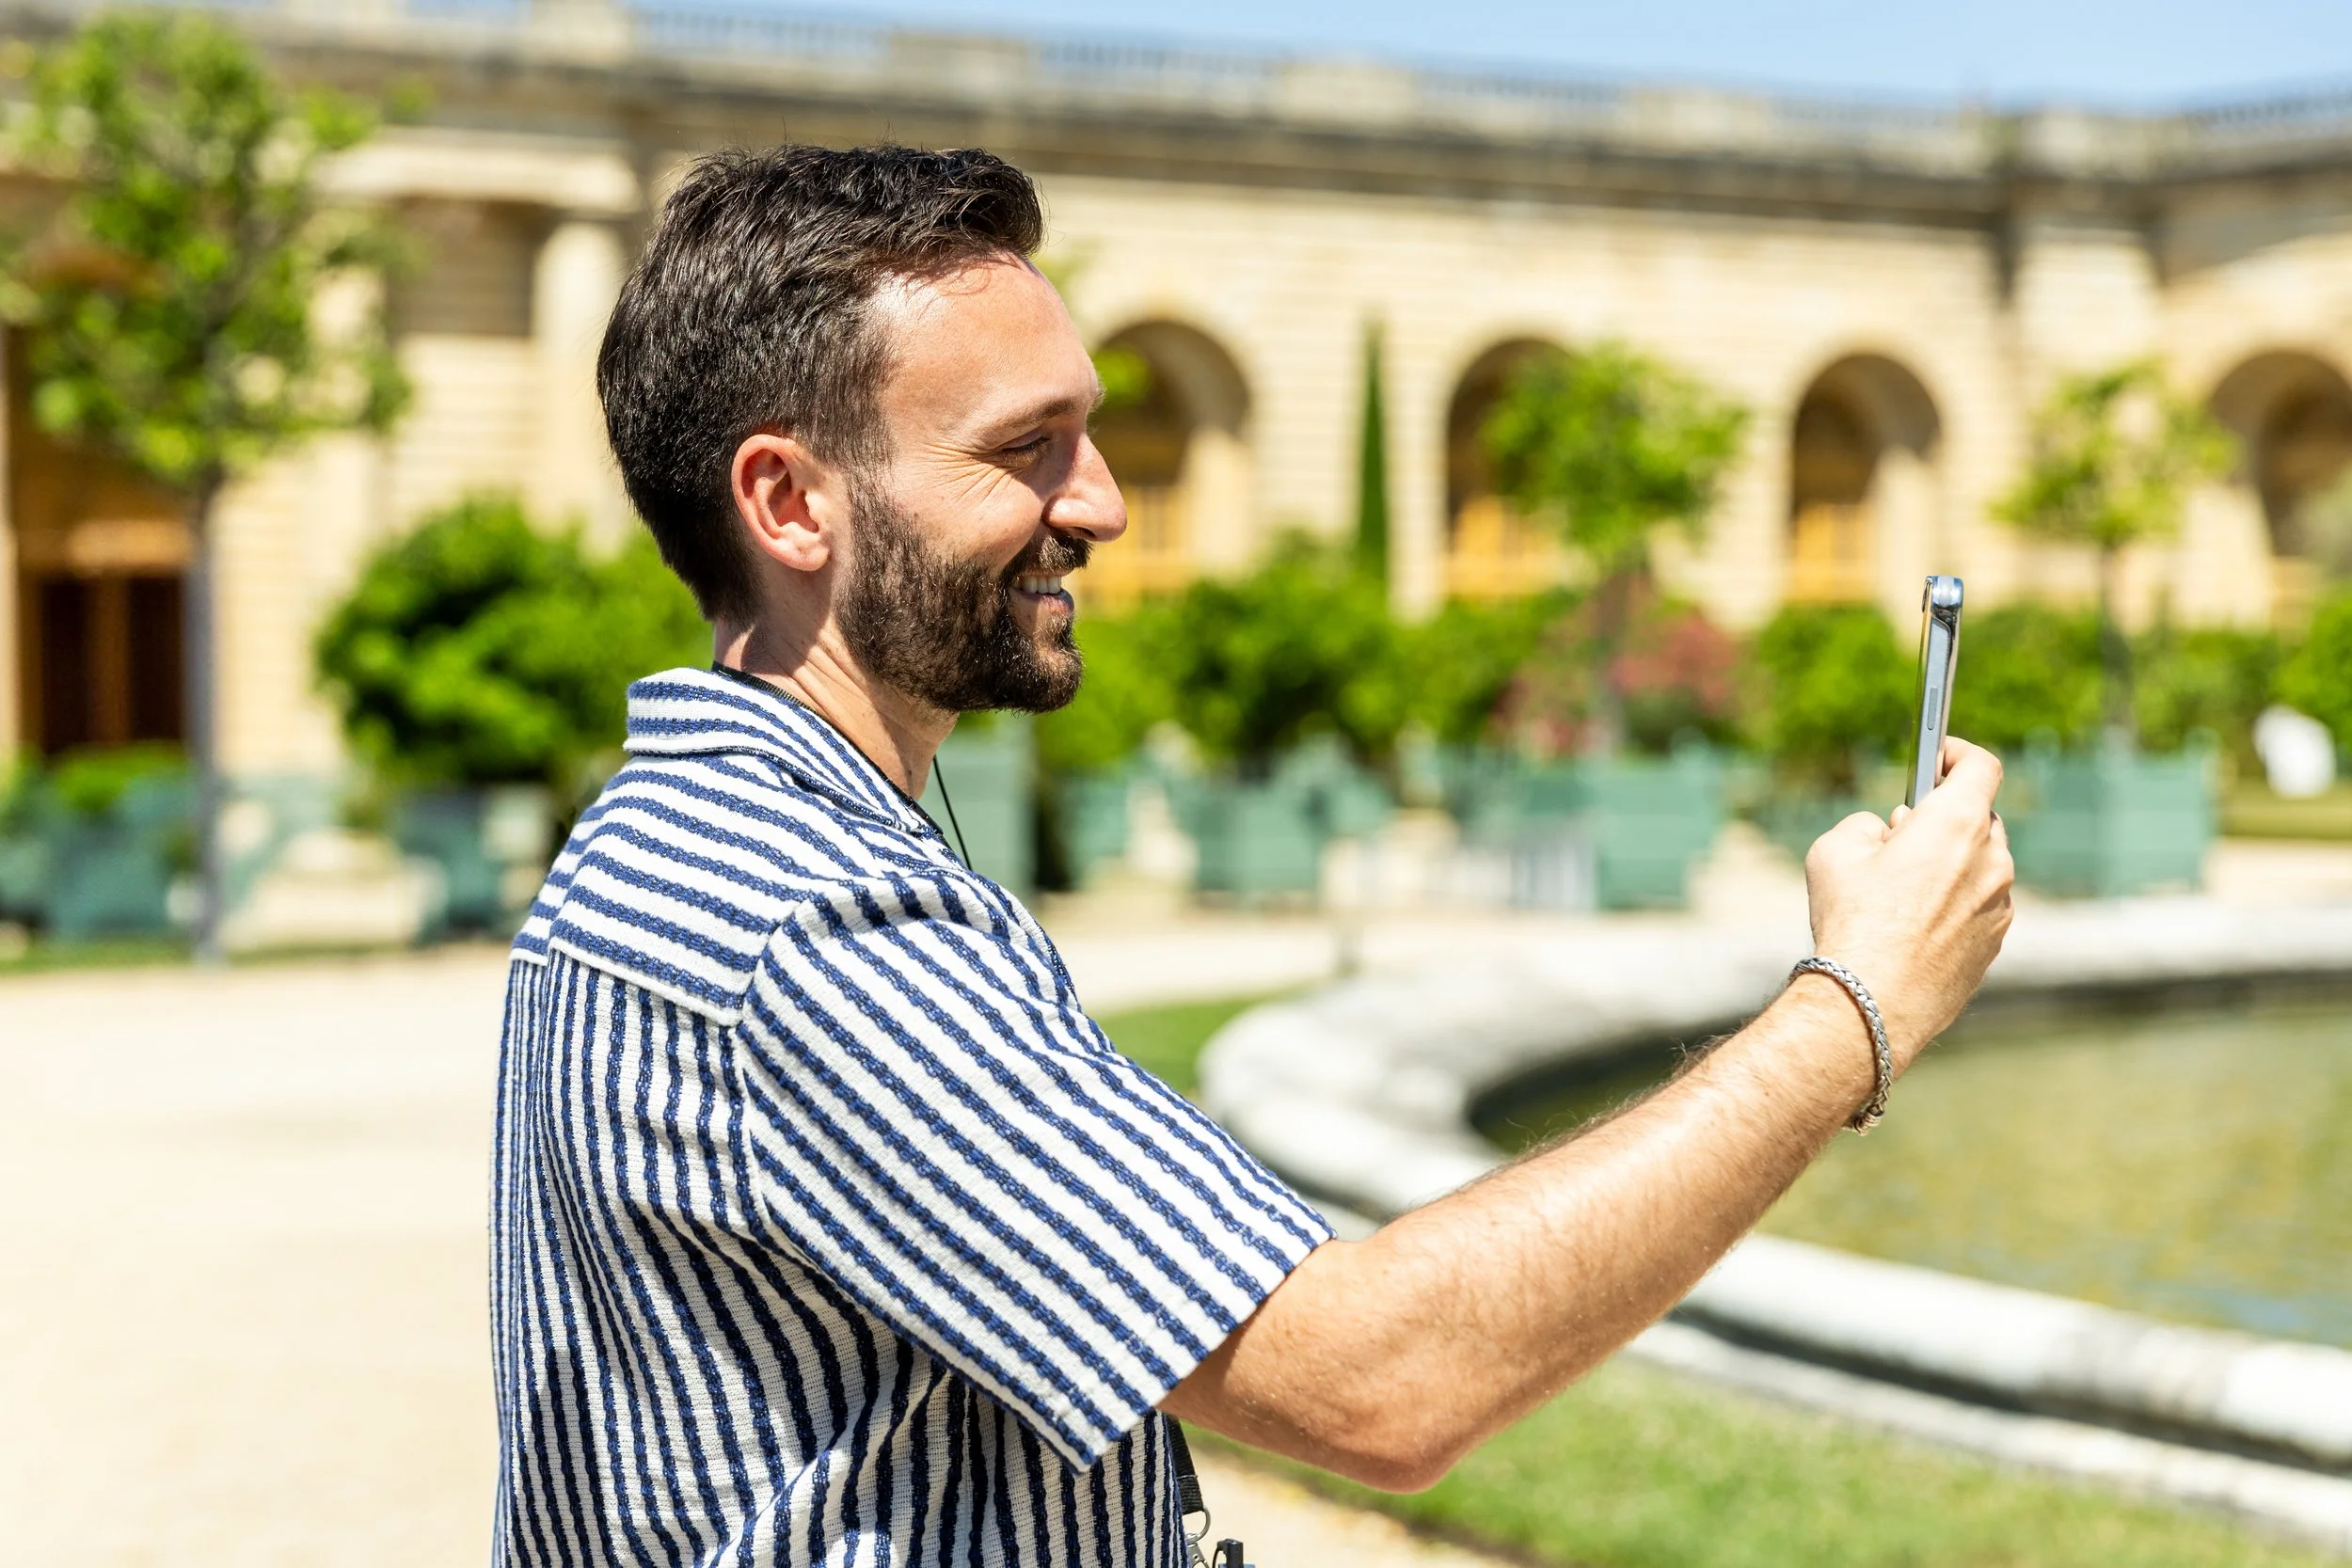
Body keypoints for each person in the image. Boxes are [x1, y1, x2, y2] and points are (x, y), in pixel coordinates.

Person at [489, 142, 2014, 1566]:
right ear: (789, 502)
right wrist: (1852, 1009)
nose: (1101, 502)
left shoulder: (672, 847)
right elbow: (1383, 1378)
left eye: (1087, 432)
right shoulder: (807, 922)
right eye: (1026, 448)